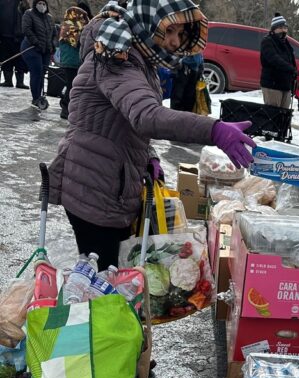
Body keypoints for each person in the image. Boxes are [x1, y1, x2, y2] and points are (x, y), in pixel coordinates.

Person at [48, 0, 255, 271]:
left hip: (111, 183)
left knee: (114, 280)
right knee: (103, 288)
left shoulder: (139, 57)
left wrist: (149, 155)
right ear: (149, 24)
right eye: (169, 31)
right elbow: (147, 116)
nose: (174, 41)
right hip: (95, 188)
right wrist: (213, 129)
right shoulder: (117, 59)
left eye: (180, 35)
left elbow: (127, 117)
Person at [57, 5, 90, 120]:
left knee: (73, 85)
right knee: (71, 85)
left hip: (76, 61)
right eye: (82, 17)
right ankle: (65, 107)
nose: (84, 19)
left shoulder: (74, 27)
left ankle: (69, 107)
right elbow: (78, 42)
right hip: (71, 62)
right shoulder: (69, 27)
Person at [20, 0, 54, 109]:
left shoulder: (49, 17)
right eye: (40, 3)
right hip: (31, 48)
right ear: (35, 4)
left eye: (44, 4)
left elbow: (53, 33)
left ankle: (39, 96)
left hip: (45, 50)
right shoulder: (29, 14)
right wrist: (36, 42)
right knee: (37, 72)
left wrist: (51, 46)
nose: (42, 6)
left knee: (42, 73)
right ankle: (36, 98)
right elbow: (26, 29)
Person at [260, 12, 296, 110]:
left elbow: (291, 60)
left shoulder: (286, 43)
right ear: (274, 29)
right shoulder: (267, 41)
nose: (283, 30)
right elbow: (274, 59)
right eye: (280, 28)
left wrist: (294, 75)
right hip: (272, 84)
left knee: (284, 115)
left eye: (285, 28)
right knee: (273, 114)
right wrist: (291, 69)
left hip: (286, 85)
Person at [0, 0, 29, 88]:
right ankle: (7, 80)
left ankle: (20, 81)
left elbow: (27, 16)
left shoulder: (23, 2)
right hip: (4, 35)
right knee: (6, 58)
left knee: (20, 60)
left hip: (20, 36)